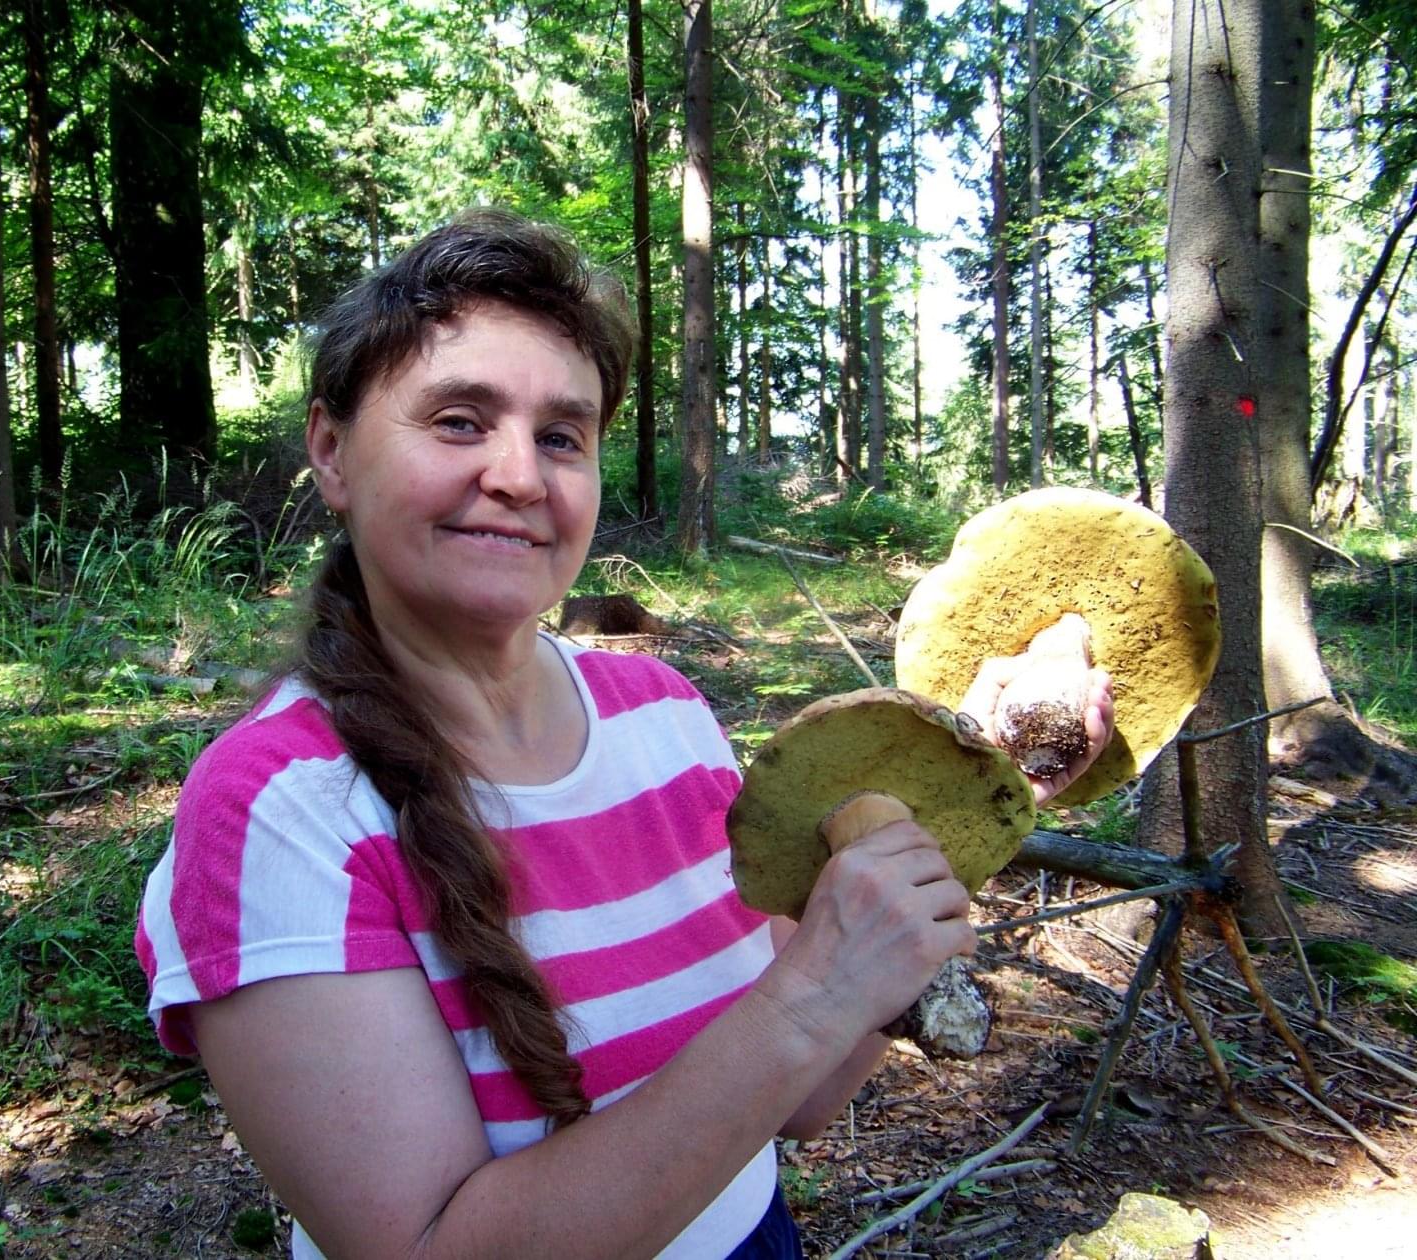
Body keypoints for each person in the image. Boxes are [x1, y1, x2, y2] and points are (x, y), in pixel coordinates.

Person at [135, 209, 1113, 1259]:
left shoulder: (665, 718)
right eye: (459, 420)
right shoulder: (277, 811)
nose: (519, 475)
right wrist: (817, 990)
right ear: (331, 451)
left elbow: (801, 1094)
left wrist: (975, 793)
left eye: (563, 436)